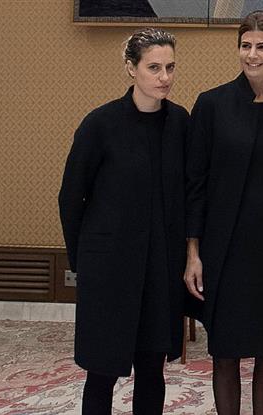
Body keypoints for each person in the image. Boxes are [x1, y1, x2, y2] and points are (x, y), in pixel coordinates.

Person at [58, 27, 188, 414]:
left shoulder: (180, 123)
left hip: (160, 270)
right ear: (131, 68)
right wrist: (84, 262)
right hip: (109, 271)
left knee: (152, 370)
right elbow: (71, 197)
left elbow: (189, 193)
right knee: (101, 373)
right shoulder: (100, 124)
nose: (164, 77)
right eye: (154, 68)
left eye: (170, 67)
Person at [182, 10, 263, 415]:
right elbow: (195, 185)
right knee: (226, 353)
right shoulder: (211, 104)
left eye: (262, 47)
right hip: (225, 251)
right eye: (246, 45)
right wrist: (193, 253)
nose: (252, 54)